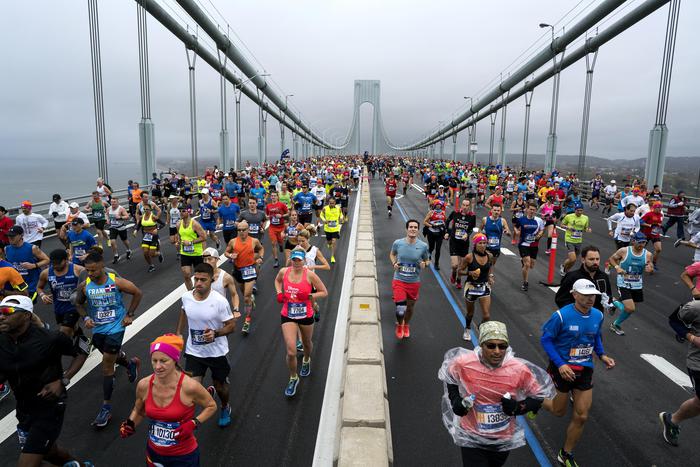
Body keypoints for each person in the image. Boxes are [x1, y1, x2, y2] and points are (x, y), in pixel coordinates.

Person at [439, 321, 555, 467]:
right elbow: (450, 377)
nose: (497, 351)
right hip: (472, 435)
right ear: (481, 344)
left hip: (502, 438)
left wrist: (518, 407)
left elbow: (538, 397)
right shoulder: (464, 363)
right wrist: (456, 401)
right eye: (491, 345)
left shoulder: (518, 369)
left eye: (502, 346)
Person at [0, 295, 89, 467]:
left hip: (49, 407)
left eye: (7, 312)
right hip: (24, 408)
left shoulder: (49, 338)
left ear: (26, 315)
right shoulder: (2, 340)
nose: (1, 316)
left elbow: (82, 349)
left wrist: (63, 379)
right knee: (48, 452)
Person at [541, 279, 616, 467]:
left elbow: (595, 336)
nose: (590, 299)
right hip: (562, 369)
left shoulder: (598, 315)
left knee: (582, 415)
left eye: (593, 296)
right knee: (558, 411)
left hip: (584, 369)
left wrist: (602, 355)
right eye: (586, 295)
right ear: (575, 295)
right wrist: (560, 364)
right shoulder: (560, 316)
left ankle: (565, 453)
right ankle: (536, 400)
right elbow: (546, 340)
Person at [119, 334, 217, 466]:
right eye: (154, 360)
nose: (157, 366)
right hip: (154, 453)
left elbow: (211, 406)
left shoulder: (189, 386)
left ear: (175, 360)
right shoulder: (144, 385)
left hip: (183, 456)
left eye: (163, 361)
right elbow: (139, 410)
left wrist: (194, 423)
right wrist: (130, 424)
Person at [77, 249, 142, 427]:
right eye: (88, 270)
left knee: (106, 364)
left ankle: (105, 407)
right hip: (98, 329)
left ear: (102, 267)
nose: (90, 273)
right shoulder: (85, 285)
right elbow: (77, 303)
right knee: (108, 354)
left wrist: (129, 314)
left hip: (116, 327)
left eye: (94, 270)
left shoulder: (116, 281)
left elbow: (137, 292)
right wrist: (86, 318)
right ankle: (130, 364)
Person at [176, 263, 236, 427]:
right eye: (197, 279)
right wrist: (179, 333)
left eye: (203, 279)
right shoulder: (187, 297)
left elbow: (231, 326)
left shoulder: (219, 301)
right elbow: (184, 312)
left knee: (220, 387)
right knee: (190, 388)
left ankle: (225, 406)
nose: (199, 283)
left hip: (217, 353)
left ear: (212, 280)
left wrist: (215, 333)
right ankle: (204, 395)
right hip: (194, 351)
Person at [274, 247, 328, 397]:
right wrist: (279, 293)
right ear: (291, 259)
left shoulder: (310, 275)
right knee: (291, 350)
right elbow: (277, 282)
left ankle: (306, 359)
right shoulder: (284, 272)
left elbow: (324, 292)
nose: (296, 262)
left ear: (304, 260)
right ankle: (293, 377)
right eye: (294, 259)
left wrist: (311, 295)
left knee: (306, 343)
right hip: (288, 314)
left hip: (305, 314)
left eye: (299, 260)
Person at [661, 298, 700, 446]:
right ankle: (673, 420)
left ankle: (671, 420)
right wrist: (691, 337)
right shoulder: (695, 307)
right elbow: (674, 320)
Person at [389, 219, 430, 339]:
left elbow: (427, 260)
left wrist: (425, 264)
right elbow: (392, 254)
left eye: (415, 227)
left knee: (410, 306)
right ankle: (399, 324)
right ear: (406, 229)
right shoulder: (398, 243)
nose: (413, 229)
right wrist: (394, 263)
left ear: (418, 230)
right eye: (410, 227)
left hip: (413, 282)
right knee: (400, 308)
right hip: (399, 279)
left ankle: (406, 324)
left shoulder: (423, 246)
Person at [607, 232, 654, 336]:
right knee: (630, 308)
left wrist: (650, 269)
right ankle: (612, 302)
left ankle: (615, 315)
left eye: (644, 242)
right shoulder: (624, 251)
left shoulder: (648, 254)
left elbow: (650, 266)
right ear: (633, 241)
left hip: (637, 283)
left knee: (632, 307)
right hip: (623, 281)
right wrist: (617, 267)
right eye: (640, 242)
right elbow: (612, 259)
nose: (642, 245)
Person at [224, 220, 264, 335]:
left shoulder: (254, 241)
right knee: (244, 294)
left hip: (250, 270)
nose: (241, 232)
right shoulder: (233, 242)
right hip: (238, 271)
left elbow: (261, 248)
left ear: (248, 230)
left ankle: (247, 320)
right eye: (239, 230)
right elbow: (226, 252)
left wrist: (260, 257)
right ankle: (250, 300)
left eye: (244, 230)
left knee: (246, 297)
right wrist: (230, 255)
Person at [37, 249, 84, 336]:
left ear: (66, 260)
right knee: (73, 328)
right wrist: (43, 295)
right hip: (59, 307)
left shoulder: (78, 270)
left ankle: (70, 349)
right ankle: (84, 343)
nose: (56, 266)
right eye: (53, 263)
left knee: (64, 332)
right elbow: (39, 287)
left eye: (58, 263)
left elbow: (90, 284)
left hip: (74, 307)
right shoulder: (46, 273)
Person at [458, 234, 495, 341]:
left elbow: (490, 267)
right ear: (475, 244)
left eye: (484, 243)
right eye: (480, 243)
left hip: (484, 286)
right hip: (471, 287)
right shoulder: (469, 257)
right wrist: (470, 273)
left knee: (487, 316)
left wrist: (490, 277)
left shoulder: (489, 256)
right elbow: (459, 271)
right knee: (470, 313)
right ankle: (467, 329)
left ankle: (480, 326)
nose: (483, 245)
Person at [555, 246, 613, 313]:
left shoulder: (603, 277)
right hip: (576, 318)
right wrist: (574, 313)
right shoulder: (572, 277)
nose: (595, 262)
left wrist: (609, 303)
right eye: (591, 259)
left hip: (596, 318)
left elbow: (608, 295)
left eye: (597, 259)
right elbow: (560, 299)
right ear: (583, 260)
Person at [5, 225, 49, 302]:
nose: (10, 238)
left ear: (21, 235)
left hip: (31, 285)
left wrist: (34, 265)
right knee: (21, 310)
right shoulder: (7, 249)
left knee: (26, 307)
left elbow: (47, 260)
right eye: (9, 236)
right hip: (16, 285)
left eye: (13, 236)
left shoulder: (32, 248)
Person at [201, 248, 240, 320]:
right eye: (205, 259)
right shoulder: (199, 276)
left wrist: (236, 309)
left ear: (216, 259)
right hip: (204, 313)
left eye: (210, 259)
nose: (206, 262)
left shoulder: (226, 277)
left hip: (221, 314)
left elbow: (234, 294)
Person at [513, 203, 544, 292]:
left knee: (531, 265)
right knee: (527, 264)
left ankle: (524, 260)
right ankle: (525, 282)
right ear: (527, 209)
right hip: (523, 244)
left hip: (534, 245)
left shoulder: (539, 220)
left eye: (534, 210)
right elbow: (515, 227)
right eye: (530, 209)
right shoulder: (521, 219)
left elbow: (542, 229)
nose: (532, 211)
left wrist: (539, 234)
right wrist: (517, 232)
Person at [446, 199, 476, 289]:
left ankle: (459, 281)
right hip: (454, 242)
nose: (465, 207)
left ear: (469, 206)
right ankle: (453, 273)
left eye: (467, 205)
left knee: (461, 265)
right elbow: (447, 221)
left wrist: (467, 234)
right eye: (463, 205)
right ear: (461, 205)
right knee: (455, 265)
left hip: (464, 243)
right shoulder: (455, 213)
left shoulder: (472, 216)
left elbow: (471, 228)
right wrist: (447, 232)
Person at [176, 205, 207, 291]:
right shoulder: (178, 224)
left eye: (183, 211)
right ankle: (191, 293)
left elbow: (204, 237)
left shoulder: (195, 224)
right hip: (185, 253)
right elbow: (180, 236)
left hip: (197, 253)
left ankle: (201, 291)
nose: (181, 213)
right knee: (186, 274)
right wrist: (178, 242)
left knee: (199, 276)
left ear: (188, 212)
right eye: (180, 211)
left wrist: (190, 242)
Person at [559, 204, 591, 276]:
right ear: (575, 210)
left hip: (578, 240)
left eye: (581, 210)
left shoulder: (586, 218)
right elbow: (561, 225)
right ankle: (563, 266)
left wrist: (588, 229)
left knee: (573, 260)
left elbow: (585, 228)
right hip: (569, 239)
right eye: (578, 210)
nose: (579, 212)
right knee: (572, 258)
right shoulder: (569, 216)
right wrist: (567, 227)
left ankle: (566, 271)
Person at [265, 191, 289, 268]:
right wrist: (267, 217)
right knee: (273, 243)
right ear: (270, 197)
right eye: (272, 196)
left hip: (281, 227)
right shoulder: (268, 206)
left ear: (277, 197)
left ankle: (281, 245)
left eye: (275, 196)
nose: (273, 197)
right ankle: (276, 260)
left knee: (280, 241)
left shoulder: (281, 205)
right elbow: (266, 215)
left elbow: (288, 213)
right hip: (272, 227)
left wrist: (281, 216)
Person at [640, 201, 664, 271]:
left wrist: (660, 226)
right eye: (658, 208)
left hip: (655, 234)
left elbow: (659, 223)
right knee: (640, 249)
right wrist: (649, 225)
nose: (660, 209)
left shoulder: (661, 215)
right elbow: (640, 221)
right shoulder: (649, 214)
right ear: (654, 208)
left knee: (658, 249)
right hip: (646, 234)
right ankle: (639, 261)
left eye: (661, 208)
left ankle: (654, 263)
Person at [424, 199, 447, 270]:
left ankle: (436, 263)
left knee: (438, 249)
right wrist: (432, 225)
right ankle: (429, 253)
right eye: (437, 205)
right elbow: (424, 222)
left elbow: (444, 222)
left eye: (439, 205)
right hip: (431, 233)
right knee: (432, 247)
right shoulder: (431, 212)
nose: (438, 206)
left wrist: (444, 228)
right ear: (434, 205)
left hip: (440, 234)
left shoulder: (443, 213)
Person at [320, 196, 344, 263]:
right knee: (329, 242)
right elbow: (321, 215)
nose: (331, 204)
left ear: (335, 203)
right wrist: (324, 220)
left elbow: (341, 215)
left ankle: (332, 256)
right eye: (330, 203)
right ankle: (329, 244)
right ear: (328, 203)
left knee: (334, 241)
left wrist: (341, 218)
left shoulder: (338, 208)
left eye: (332, 203)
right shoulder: (325, 208)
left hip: (335, 228)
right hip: (327, 228)